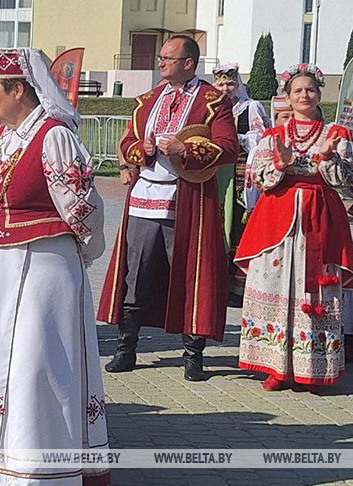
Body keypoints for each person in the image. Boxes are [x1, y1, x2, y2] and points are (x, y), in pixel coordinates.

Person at [0, 49, 109, 485]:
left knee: (34, 364)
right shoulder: (3, 138)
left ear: (18, 89)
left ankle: (38, 467)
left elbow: (80, 207)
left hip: (41, 266)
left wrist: (80, 252)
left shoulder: (53, 135)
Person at [97, 35, 239, 381]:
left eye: (167, 58)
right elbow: (127, 142)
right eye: (161, 57)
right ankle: (125, 349)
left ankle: (193, 356)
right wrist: (142, 150)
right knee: (136, 273)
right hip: (144, 199)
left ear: (188, 63)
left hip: (188, 199)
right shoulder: (148, 100)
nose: (160, 63)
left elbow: (229, 147)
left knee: (190, 273)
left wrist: (184, 149)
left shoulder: (213, 100)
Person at [235, 63, 353, 391]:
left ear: (319, 94)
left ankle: (314, 367)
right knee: (275, 285)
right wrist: (281, 162)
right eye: (298, 91)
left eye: (310, 90)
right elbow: (259, 179)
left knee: (315, 291)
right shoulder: (273, 136)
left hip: (320, 220)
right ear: (287, 97)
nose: (304, 95)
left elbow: (346, 180)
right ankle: (275, 366)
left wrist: (328, 158)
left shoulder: (336, 135)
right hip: (278, 222)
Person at [212, 63, 270, 306]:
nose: (226, 89)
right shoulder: (212, 107)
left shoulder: (250, 107)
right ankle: (217, 282)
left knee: (237, 222)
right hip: (216, 172)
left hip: (240, 172)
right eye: (221, 85)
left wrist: (236, 138)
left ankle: (238, 286)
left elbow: (262, 136)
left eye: (230, 84)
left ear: (238, 85)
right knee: (217, 223)